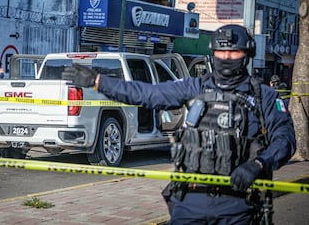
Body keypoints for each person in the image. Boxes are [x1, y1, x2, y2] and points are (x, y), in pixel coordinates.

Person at [62, 24, 296, 224]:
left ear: (247, 53)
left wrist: (258, 164)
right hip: (189, 200)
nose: (226, 58)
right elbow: (145, 94)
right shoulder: (193, 87)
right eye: (221, 52)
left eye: (234, 52)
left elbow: (285, 140)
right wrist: (98, 81)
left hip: (237, 203)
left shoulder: (265, 97)